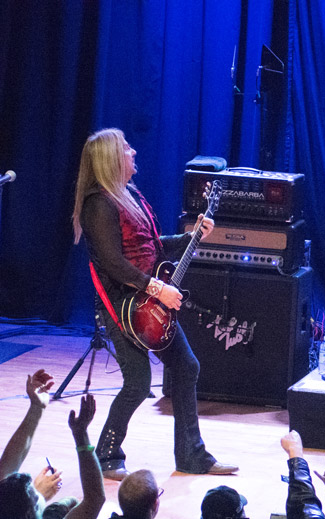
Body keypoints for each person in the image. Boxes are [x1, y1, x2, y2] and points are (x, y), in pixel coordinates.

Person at [70, 127, 236, 479]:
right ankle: (107, 455)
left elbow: (150, 245)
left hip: (149, 302)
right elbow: (113, 262)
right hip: (122, 307)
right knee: (138, 383)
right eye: (126, 148)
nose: (133, 151)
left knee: (186, 367)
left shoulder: (128, 195)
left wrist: (189, 237)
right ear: (111, 159)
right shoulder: (99, 204)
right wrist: (158, 288)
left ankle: (192, 456)